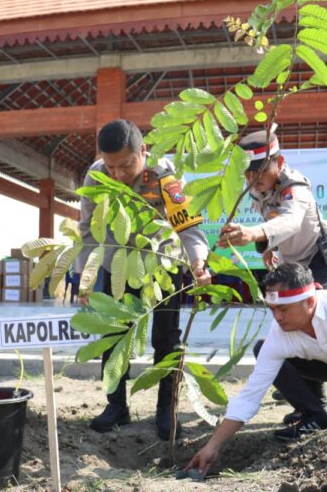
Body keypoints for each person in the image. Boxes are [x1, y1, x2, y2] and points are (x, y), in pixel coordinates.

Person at [185, 263, 327, 475]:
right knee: (263, 347)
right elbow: (249, 396)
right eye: (272, 310)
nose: (277, 317)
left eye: (283, 309)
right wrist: (213, 446)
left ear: (309, 302)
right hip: (325, 363)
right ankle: (315, 413)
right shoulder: (279, 333)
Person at [74, 119, 211, 439]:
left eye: (126, 165)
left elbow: (187, 228)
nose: (118, 174)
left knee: (166, 339)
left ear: (143, 152)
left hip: (163, 267)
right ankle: (116, 405)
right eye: (111, 167)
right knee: (114, 335)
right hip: (117, 267)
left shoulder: (164, 174)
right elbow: (86, 230)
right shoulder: (96, 176)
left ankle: (166, 410)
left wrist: (198, 263)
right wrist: (87, 276)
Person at [217, 128, 327, 288]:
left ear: (280, 163)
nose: (253, 178)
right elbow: (272, 216)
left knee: (311, 304)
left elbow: (291, 220)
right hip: (291, 257)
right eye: (247, 171)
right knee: (283, 300)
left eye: (261, 170)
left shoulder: (295, 186)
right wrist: (271, 246)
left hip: (316, 254)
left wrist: (252, 233)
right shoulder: (257, 189)